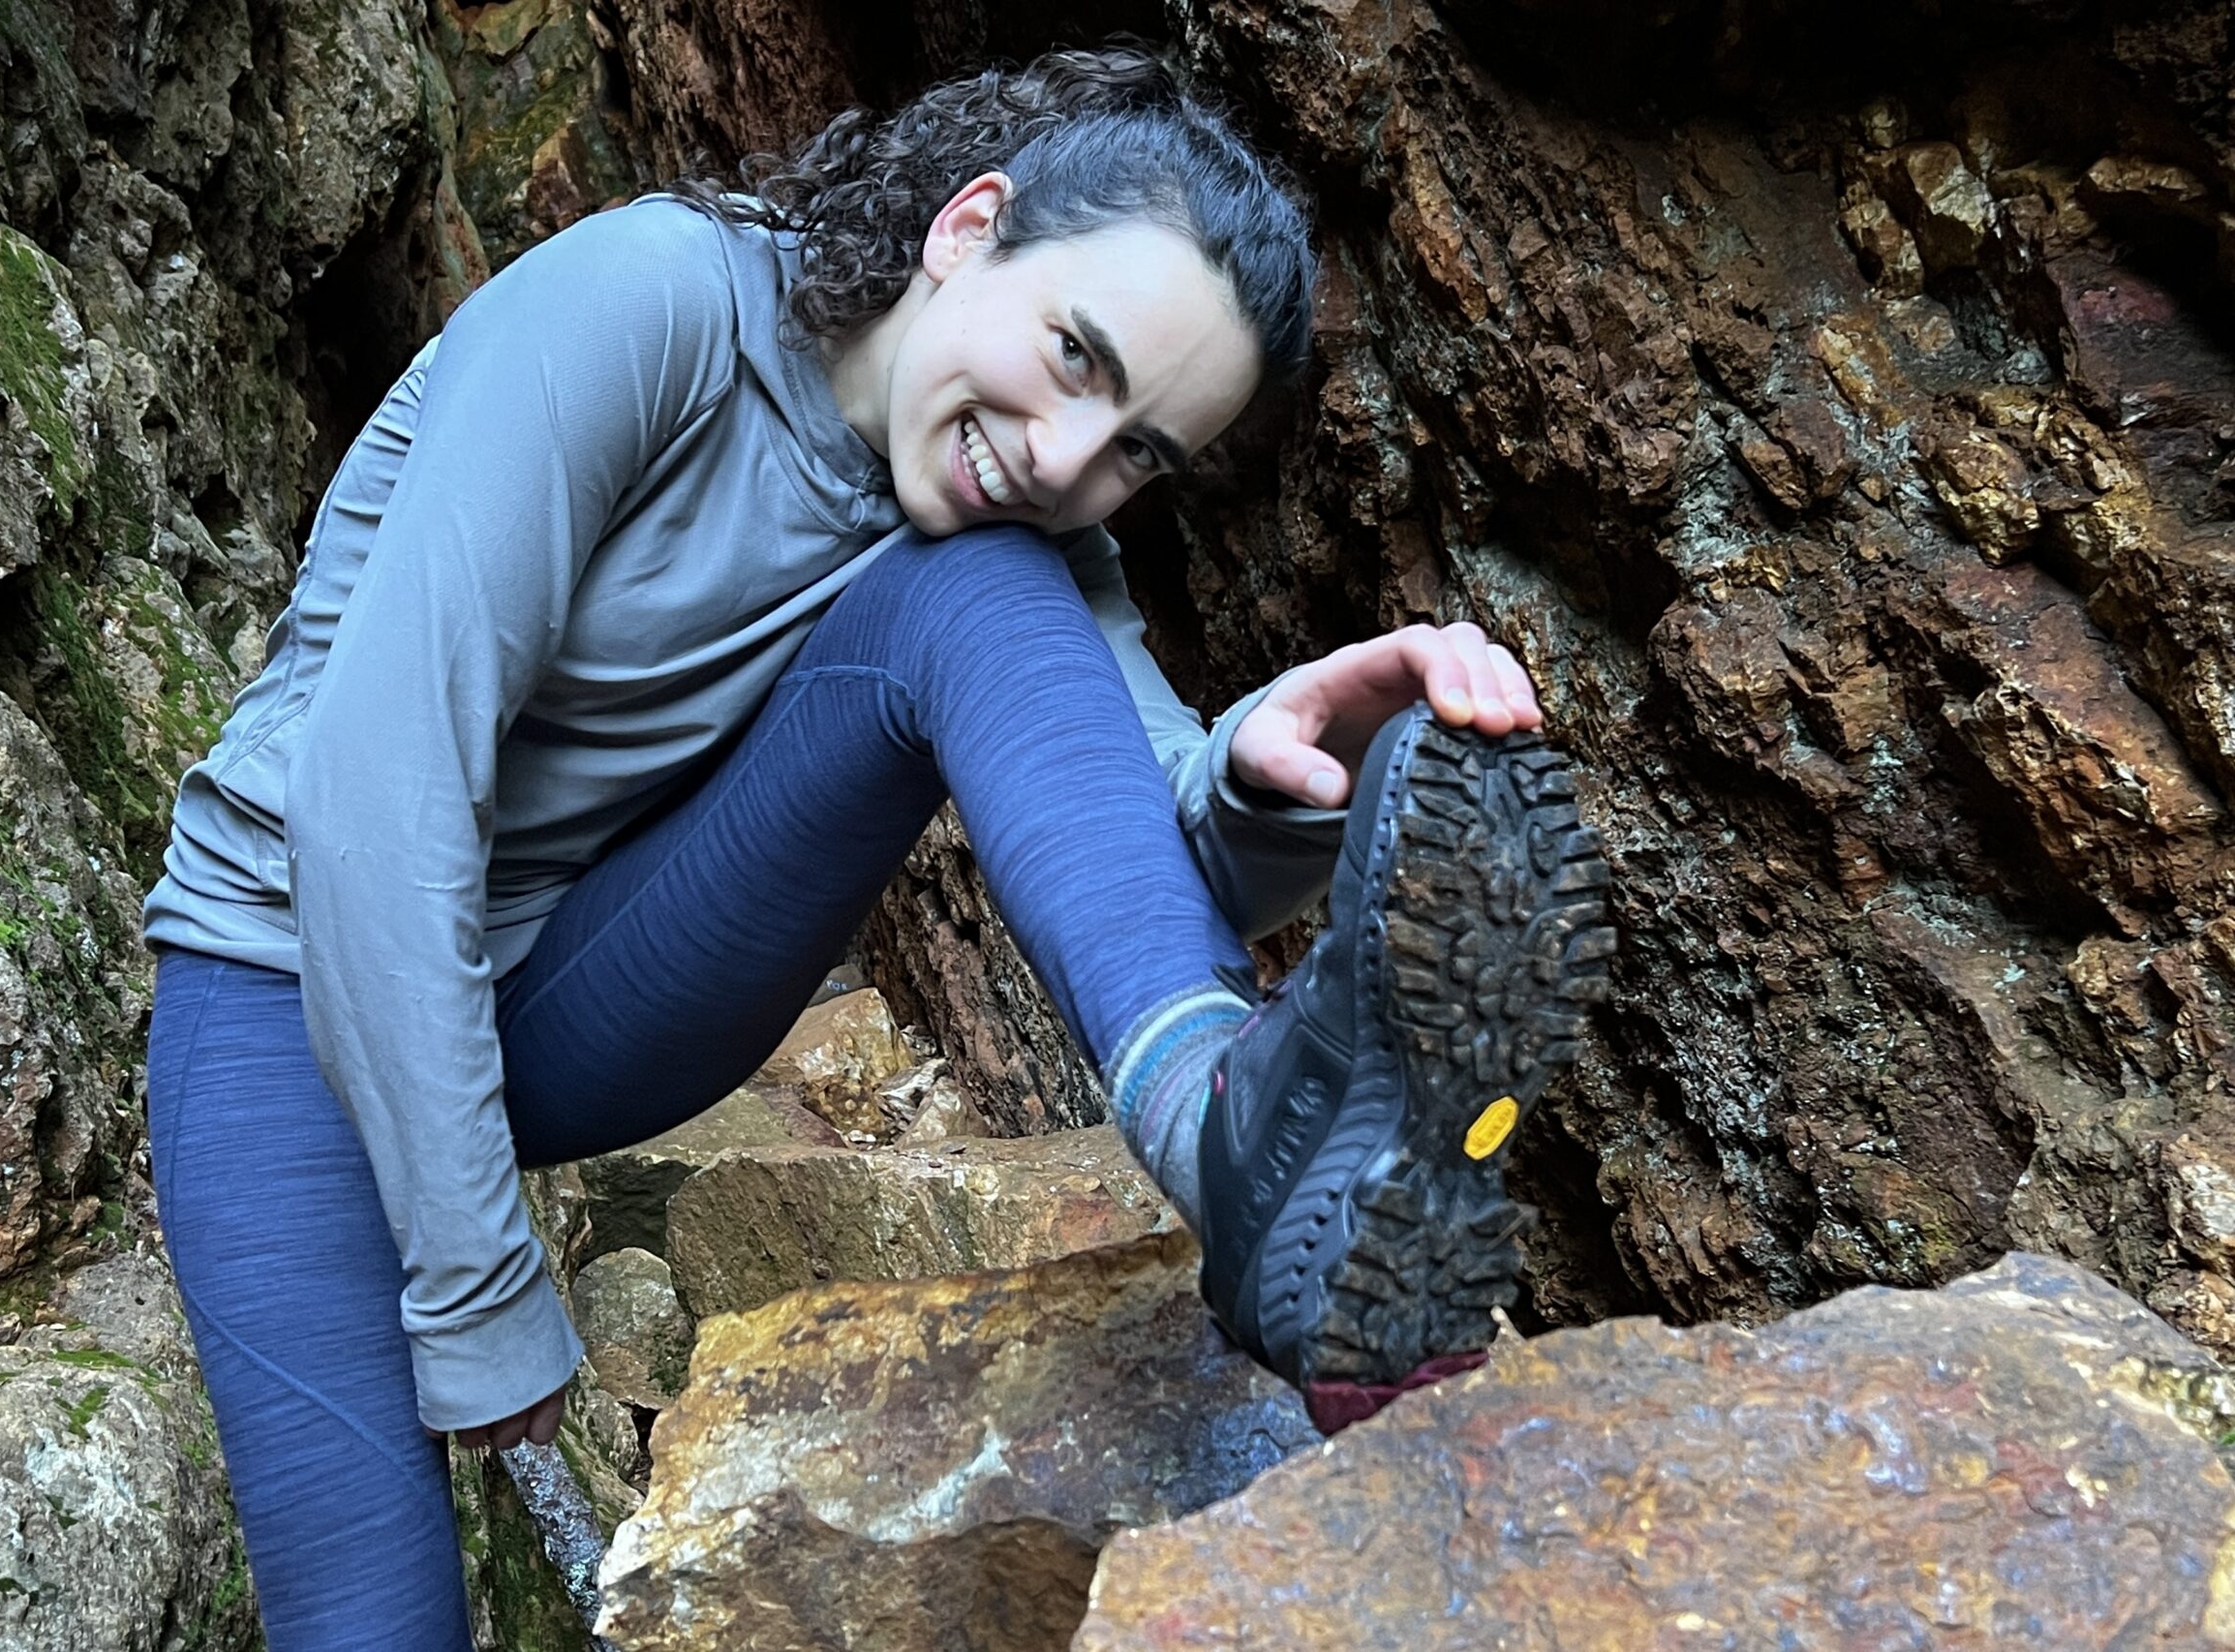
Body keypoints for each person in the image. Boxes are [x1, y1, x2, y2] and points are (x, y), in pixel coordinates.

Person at [141, 44, 1610, 1649]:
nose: (1065, 457)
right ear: (966, 226)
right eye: (1073, 355)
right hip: (282, 986)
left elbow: (1132, 837)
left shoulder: (1011, 535)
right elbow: (375, 791)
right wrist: (480, 1274)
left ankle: (1221, 1139)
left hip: (566, 995)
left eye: (1135, 448)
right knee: (374, 1619)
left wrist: (1273, 776)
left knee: (976, 592)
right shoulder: (651, 302)